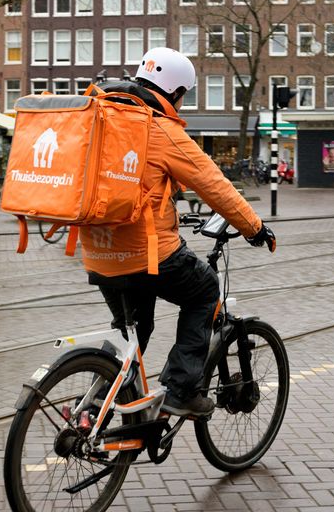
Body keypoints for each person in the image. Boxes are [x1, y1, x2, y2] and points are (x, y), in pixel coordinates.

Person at [85, 47, 275, 417]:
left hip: (97, 251)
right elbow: (213, 185)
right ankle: (181, 389)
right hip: (146, 254)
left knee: (133, 331)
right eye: (183, 95)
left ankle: (97, 406)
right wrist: (253, 227)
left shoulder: (102, 117)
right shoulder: (159, 128)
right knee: (204, 292)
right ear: (174, 92)